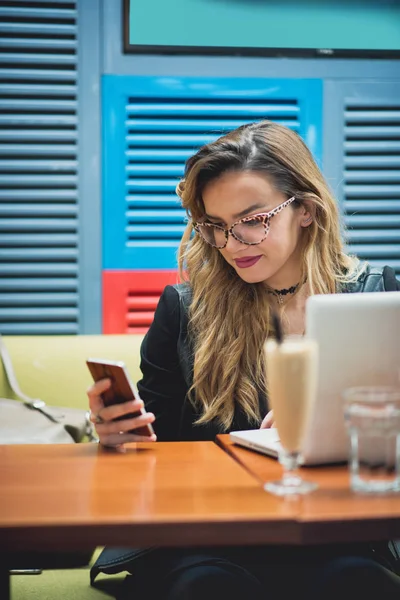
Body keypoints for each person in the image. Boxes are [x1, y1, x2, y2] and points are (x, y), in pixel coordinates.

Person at [88, 121, 400, 599]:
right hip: (210, 538)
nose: (232, 244)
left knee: (355, 582)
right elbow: (154, 452)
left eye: (253, 220)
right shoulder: (184, 309)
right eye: (216, 226)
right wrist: (115, 438)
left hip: (338, 533)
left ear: (307, 211)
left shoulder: (378, 296)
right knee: (208, 587)